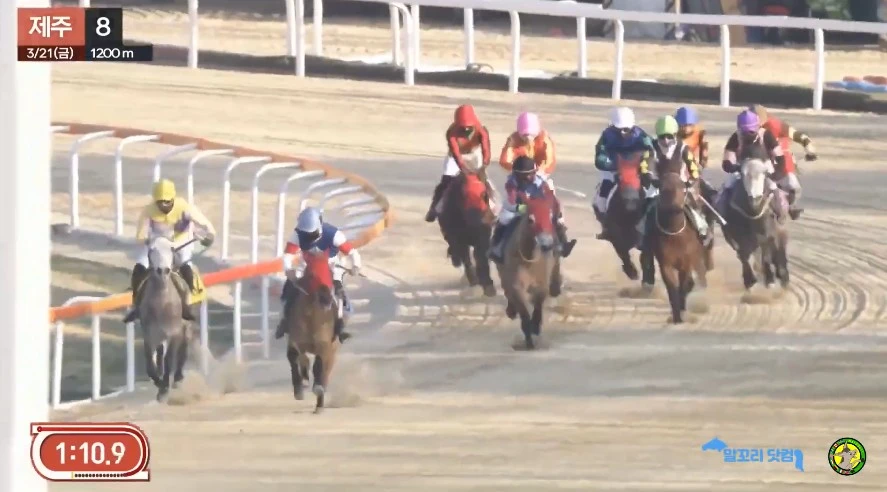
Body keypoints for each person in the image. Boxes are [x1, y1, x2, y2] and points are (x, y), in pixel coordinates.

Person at [123, 179, 215, 323]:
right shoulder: (148, 211)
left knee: (185, 264)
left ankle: (188, 302)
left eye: (167, 202)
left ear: (173, 198)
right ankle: (136, 303)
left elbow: (206, 225)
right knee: (140, 265)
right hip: (157, 243)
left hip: (181, 242)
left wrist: (209, 234)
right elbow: (140, 235)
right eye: (160, 202)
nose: (163, 205)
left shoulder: (184, 207)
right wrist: (148, 241)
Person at [275, 207, 362, 343]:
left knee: (338, 290)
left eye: (312, 234)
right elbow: (287, 255)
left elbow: (352, 252)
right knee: (288, 289)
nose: (308, 238)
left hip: (331, 266)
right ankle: (284, 321)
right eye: (306, 235)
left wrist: (356, 266)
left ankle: (340, 326)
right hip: (306, 265)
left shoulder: (334, 234)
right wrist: (289, 270)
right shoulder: (297, 234)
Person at [498, 112, 575, 253]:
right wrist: (517, 169)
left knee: (556, 207)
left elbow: (550, 160)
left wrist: (538, 172)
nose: (527, 139)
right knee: (504, 216)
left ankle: (563, 240)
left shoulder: (544, 138)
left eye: (531, 136)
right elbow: (504, 160)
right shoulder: (513, 140)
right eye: (524, 136)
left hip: (540, 174)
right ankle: (497, 246)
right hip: (518, 175)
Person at [489, 156, 576, 263]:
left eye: (529, 174)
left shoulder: (541, 182)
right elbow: (511, 203)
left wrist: (553, 208)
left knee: (556, 217)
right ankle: (497, 247)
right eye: (523, 175)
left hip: (537, 209)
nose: (527, 177)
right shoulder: (511, 184)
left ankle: (562, 243)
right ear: (516, 174)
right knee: (504, 219)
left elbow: (550, 198)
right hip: (517, 208)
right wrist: (525, 208)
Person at [641, 115, 710, 246]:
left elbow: (693, 168)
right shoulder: (651, 148)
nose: (666, 140)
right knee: (647, 206)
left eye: (669, 136)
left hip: (680, 184)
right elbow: (644, 167)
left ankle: (702, 229)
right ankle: (644, 236)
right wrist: (651, 179)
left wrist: (691, 181)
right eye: (662, 137)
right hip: (658, 186)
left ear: (675, 135)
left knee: (692, 204)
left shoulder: (683, 148)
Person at [593, 106, 656, 240]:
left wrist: (643, 166)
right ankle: (606, 227)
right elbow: (599, 157)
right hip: (614, 170)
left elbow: (651, 151)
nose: (622, 132)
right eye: (618, 129)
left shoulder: (642, 136)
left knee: (653, 193)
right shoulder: (606, 135)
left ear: (632, 126)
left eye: (625, 129)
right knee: (600, 198)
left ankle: (652, 226)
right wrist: (613, 165)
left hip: (636, 171)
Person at [716, 109, 789, 221]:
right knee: (727, 185)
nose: (748, 134)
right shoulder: (736, 137)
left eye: (751, 131)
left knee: (773, 186)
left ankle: (781, 212)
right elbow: (727, 159)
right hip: (742, 167)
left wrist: (777, 173)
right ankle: (721, 212)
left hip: (764, 166)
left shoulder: (766, 135)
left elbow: (780, 157)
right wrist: (733, 167)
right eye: (745, 132)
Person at [425, 104, 492, 223]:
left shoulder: (482, 130)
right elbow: (456, 153)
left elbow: (486, 149)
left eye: (469, 127)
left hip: (474, 154)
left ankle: (491, 209)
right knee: (446, 181)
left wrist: (484, 164)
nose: (466, 130)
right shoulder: (451, 133)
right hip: (456, 157)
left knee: (483, 181)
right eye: (463, 127)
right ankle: (434, 208)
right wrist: (463, 168)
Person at [748, 104, 816, 219]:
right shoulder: (748, 127)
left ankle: (790, 207)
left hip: (779, 164)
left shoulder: (775, 125)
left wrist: (809, 148)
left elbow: (798, 135)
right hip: (759, 162)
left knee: (794, 189)